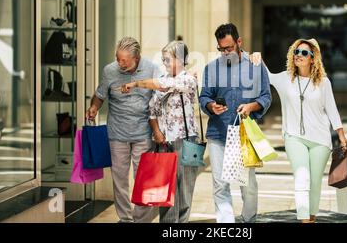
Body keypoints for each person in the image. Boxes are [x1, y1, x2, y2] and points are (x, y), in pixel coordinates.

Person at [251, 38, 347, 223]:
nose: (299, 55)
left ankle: (310, 218)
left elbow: (332, 110)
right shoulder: (285, 78)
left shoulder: (324, 82)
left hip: (320, 140)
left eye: (304, 53)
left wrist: (342, 137)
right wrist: (258, 58)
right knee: (302, 178)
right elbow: (267, 76)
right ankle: (304, 220)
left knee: (314, 183)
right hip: (294, 137)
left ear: (313, 58)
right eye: (296, 52)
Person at [199, 23, 272, 223]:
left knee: (248, 185)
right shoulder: (211, 68)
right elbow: (204, 96)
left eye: (229, 48)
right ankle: (227, 225)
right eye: (221, 49)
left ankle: (248, 220)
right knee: (220, 184)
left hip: (244, 134)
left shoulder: (256, 66)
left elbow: (266, 97)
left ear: (239, 42)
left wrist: (251, 107)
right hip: (218, 133)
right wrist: (211, 106)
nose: (225, 53)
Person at [120, 40, 200, 223]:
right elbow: (152, 110)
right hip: (163, 142)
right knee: (166, 187)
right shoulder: (164, 78)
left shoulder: (188, 80)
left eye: (167, 59)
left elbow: (162, 84)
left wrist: (136, 84)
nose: (164, 63)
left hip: (186, 140)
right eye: (163, 59)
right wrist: (156, 132)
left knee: (185, 188)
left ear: (180, 60)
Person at [86, 37, 160, 223]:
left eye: (124, 61)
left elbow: (161, 94)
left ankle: (140, 219)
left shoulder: (151, 68)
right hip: (117, 133)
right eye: (118, 59)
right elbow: (100, 95)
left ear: (137, 57)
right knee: (120, 180)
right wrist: (94, 107)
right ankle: (125, 219)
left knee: (143, 179)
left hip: (143, 133)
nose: (120, 64)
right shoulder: (110, 71)